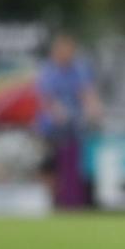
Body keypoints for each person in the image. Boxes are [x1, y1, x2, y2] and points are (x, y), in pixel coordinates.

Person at [36, 33, 102, 207]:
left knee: (79, 162)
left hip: (75, 127)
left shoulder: (80, 69)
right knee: (50, 164)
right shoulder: (48, 71)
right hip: (51, 129)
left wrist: (93, 108)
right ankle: (51, 200)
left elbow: (87, 93)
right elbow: (49, 101)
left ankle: (76, 198)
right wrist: (59, 113)